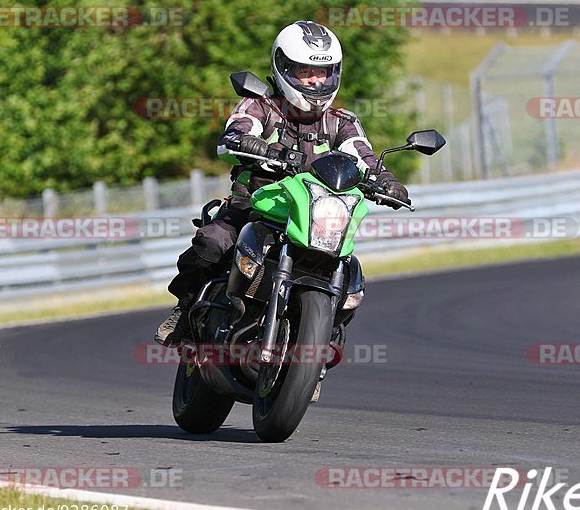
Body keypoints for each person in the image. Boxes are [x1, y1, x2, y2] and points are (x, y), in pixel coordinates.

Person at [155, 20, 409, 347]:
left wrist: (386, 181)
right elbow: (234, 135)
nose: (317, 80)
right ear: (284, 68)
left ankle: (319, 347)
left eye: (325, 71)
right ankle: (185, 308)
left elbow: (361, 154)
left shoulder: (342, 122)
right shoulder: (260, 105)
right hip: (255, 206)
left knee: (351, 278)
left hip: (311, 216)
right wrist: (252, 144)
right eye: (306, 71)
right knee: (214, 241)